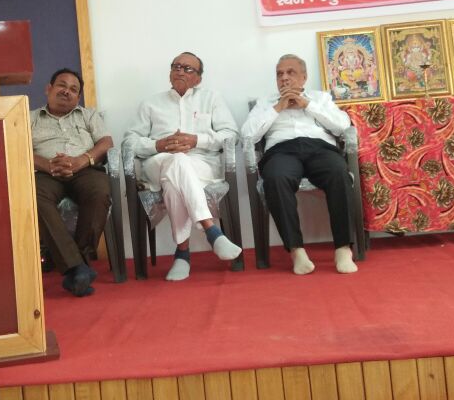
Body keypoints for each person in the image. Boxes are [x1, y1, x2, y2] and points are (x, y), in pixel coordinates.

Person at [123, 52, 241, 281]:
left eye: (187, 69)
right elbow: (129, 142)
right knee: (176, 160)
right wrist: (158, 144)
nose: (180, 71)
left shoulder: (212, 99)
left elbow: (231, 135)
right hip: (158, 162)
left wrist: (197, 140)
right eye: (176, 66)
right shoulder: (150, 104)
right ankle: (211, 230)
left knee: (174, 179)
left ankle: (182, 253)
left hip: (202, 164)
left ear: (199, 78)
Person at [242, 54, 357, 275]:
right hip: (281, 151)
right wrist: (278, 107)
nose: (284, 78)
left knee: (338, 172)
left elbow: (343, 126)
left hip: (320, 148)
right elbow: (247, 135)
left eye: (290, 72)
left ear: (304, 77)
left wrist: (308, 105)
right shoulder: (265, 103)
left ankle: (343, 249)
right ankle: (297, 251)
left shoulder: (320, 98)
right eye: (279, 74)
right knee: (275, 178)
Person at [31, 68, 113, 297]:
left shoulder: (88, 116)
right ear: (49, 89)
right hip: (45, 172)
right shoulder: (29, 118)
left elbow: (106, 142)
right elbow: (16, 147)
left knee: (100, 191)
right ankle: (78, 268)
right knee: (34, 195)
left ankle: (76, 266)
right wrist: (46, 164)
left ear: (78, 97)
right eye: (62, 85)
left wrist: (82, 160)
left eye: (73, 89)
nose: (67, 91)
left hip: (84, 169)